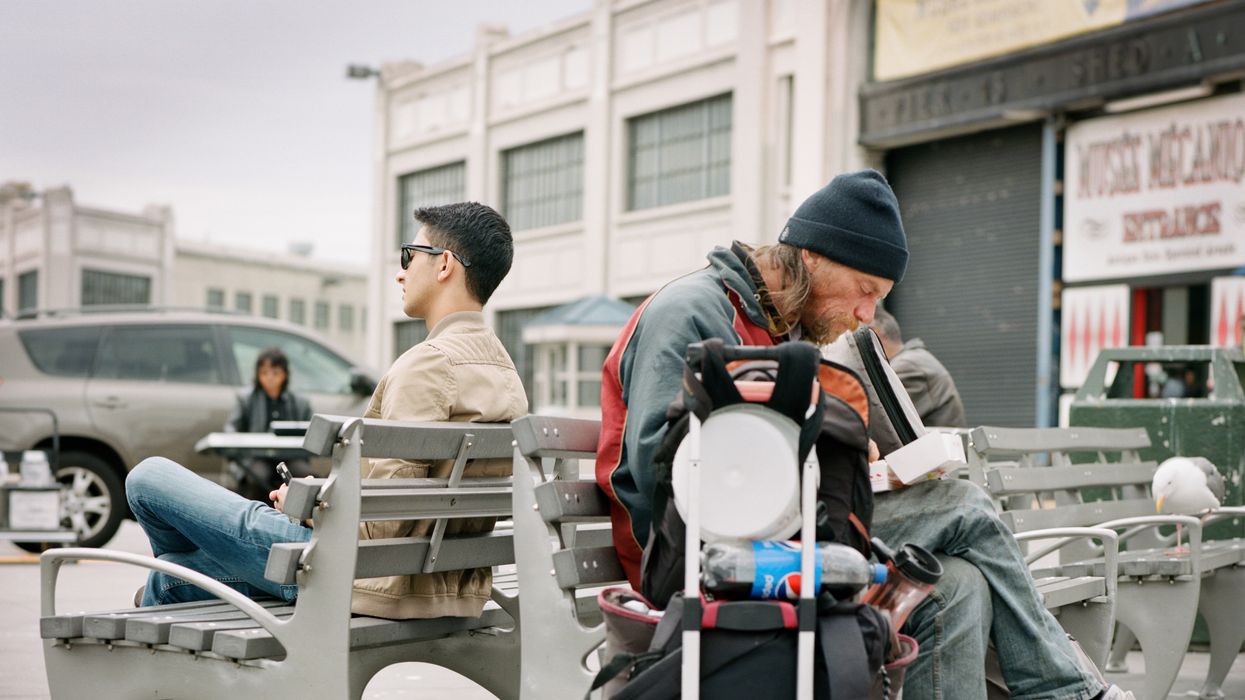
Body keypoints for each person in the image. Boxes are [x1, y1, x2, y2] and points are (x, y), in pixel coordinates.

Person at [596, 169, 1131, 700]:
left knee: (957, 586)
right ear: (812, 256)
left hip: (771, 531)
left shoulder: (778, 326)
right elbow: (662, 468)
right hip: (695, 556)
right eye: (865, 290)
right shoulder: (690, 312)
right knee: (964, 506)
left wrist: (844, 459)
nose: (866, 314)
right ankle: (1069, 692)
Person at [126, 202, 527, 619]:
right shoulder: (505, 372)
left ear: (444, 265)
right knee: (169, 578)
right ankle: (175, 576)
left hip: (357, 573)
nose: (401, 272)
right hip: (445, 581)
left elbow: (382, 527)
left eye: (409, 255)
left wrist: (309, 505)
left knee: (148, 478)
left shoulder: (429, 365)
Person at [224, 347, 314, 500]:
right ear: (258, 375)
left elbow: (311, 432)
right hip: (257, 457)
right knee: (257, 477)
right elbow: (231, 429)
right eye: (264, 373)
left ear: (284, 374)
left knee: (307, 476)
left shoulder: (300, 402)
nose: (269, 378)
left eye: (275, 373)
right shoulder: (246, 399)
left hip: (290, 457)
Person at [870, 308, 967, 428]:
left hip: (935, 440)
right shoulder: (915, 359)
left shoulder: (907, 366)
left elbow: (879, 420)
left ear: (875, 333)